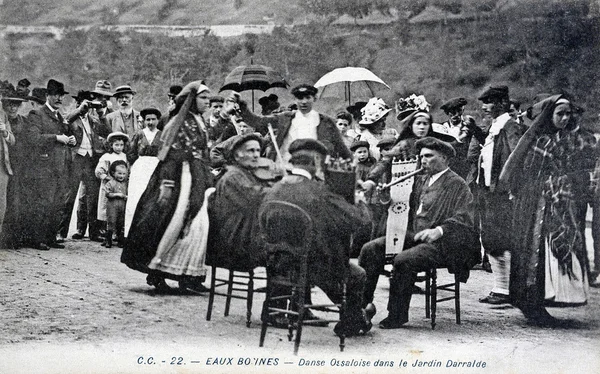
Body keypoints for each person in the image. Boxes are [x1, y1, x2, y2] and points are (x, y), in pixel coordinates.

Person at [359, 137, 480, 328]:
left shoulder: (457, 184)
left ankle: (397, 315)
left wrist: (439, 230)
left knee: (402, 260)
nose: (422, 160)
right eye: (421, 156)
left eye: (429, 156)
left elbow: (465, 218)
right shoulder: (420, 179)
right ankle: (361, 306)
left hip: (444, 243)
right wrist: (386, 197)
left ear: (444, 158)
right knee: (370, 249)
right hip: (417, 237)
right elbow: (402, 207)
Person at [498, 95, 599, 325]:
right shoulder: (543, 142)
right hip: (537, 203)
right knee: (536, 251)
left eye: (567, 114)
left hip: (553, 202)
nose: (564, 118)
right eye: (559, 114)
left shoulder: (560, 139)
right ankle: (532, 304)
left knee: (547, 254)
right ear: (549, 115)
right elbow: (530, 175)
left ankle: (537, 302)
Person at [262, 138, 375, 337]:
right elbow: (358, 221)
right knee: (357, 275)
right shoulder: (320, 192)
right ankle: (352, 323)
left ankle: (274, 308)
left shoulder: (274, 189)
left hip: (277, 261)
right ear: (315, 162)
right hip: (313, 265)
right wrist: (359, 202)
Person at [122, 80, 214, 294]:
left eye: (208, 98)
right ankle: (157, 272)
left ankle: (189, 275)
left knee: (198, 225)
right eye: (203, 98)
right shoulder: (180, 122)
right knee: (174, 221)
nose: (207, 102)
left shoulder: (199, 121)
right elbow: (170, 155)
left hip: (198, 176)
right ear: (191, 100)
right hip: (181, 177)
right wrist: (167, 183)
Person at [475, 85, 525, 305]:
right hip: (489, 191)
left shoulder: (510, 126)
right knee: (491, 238)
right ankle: (500, 287)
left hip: (503, 193)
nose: (485, 107)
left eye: (489, 102)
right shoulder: (495, 126)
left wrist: (513, 189)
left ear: (503, 103)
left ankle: (505, 289)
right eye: (484, 103)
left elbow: (517, 159)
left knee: (501, 239)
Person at [207, 133, 272, 271]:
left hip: (244, 232)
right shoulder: (233, 176)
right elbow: (255, 198)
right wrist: (278, 189)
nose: (256, 155)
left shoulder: (245, 173)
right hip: (234, 239)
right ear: (236, 156)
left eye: (258, 151)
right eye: (251, 150)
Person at [240, 84, 351, 162]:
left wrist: (358, 176)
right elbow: (258, 122)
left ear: (315, 98)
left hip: (315, 173)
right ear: (294, 100)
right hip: (285, 169)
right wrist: (242, 106)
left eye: (308, 97)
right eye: (300, 98)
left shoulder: (326, 122)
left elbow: (342, 150)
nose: (304, 102)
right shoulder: (285, 118)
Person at [57, 90, 111, 242]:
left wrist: (101, 113)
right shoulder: (72, 117)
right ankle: (61, 232)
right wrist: (79, 110)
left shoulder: (93, 120)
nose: (87, 108)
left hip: (90, 161)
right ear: (78, 103)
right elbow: (64, 122)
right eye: (85, 103)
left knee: (92, 198)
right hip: (75, 161)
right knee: (69, 197)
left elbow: (108, 132)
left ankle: (93, 233)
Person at [27, 79, 76, 251]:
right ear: (47, 95)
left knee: (58, 203)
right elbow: (33, 139)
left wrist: (70, 139)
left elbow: (65, 133)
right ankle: (37, 239)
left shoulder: (59, 116)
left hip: (60, 166)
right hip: (44, 166)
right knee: (43, 203)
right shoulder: (36, 114)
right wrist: (57, 138)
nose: (59, 99)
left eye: (61, 96)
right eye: (55, 95)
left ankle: (50, 237)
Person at [124, 108, 163, 236]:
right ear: (144, 121)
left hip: (156, 167)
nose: (150, 122)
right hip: (140, 169)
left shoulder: (162, 135)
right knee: (136, 198)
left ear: (158, 120)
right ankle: (131, 233)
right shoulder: (139, 134)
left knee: (153, 199)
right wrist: (135, 166)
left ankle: (151, 234)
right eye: (148, 119)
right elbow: (131, 152)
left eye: (153, 119)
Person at [438, 97, 485, 180]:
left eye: (459, 111)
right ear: (447, 113)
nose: (456, 115)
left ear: (462, 110)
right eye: (452, 112)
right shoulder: (441, 128)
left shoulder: (470, 126)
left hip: (465, 168)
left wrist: (472, 130)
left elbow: (482, 141)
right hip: (447, 166)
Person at [95, 132, 129, 245]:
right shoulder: (106, 157)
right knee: (107, 209)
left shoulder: (124, 156)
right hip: (110, 186)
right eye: (116, 145)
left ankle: (118, 234)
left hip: (121, 185)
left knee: (120, 210)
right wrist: (107, 178)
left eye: (121, 145)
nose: (119, 147)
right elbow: (99, 171)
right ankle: (106, 234)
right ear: (111, 145)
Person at [0, 82, 19, 246]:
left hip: (3, 166)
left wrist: (5, 132)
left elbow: (12, 140)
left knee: (2, 203)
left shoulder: (2, 115)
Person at [104, 160, 128, 248]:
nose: (121, 176)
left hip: (122, 206)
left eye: (123, 174)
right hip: (112, 206)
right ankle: (108, 240)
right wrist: (117, 194)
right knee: (111, 222)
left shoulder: (126, 184)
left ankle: (119, 240)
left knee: (120, 223)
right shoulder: (110, 183)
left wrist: (126, 196)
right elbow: (107, 194)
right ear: (113, 173)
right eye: (119, 173)